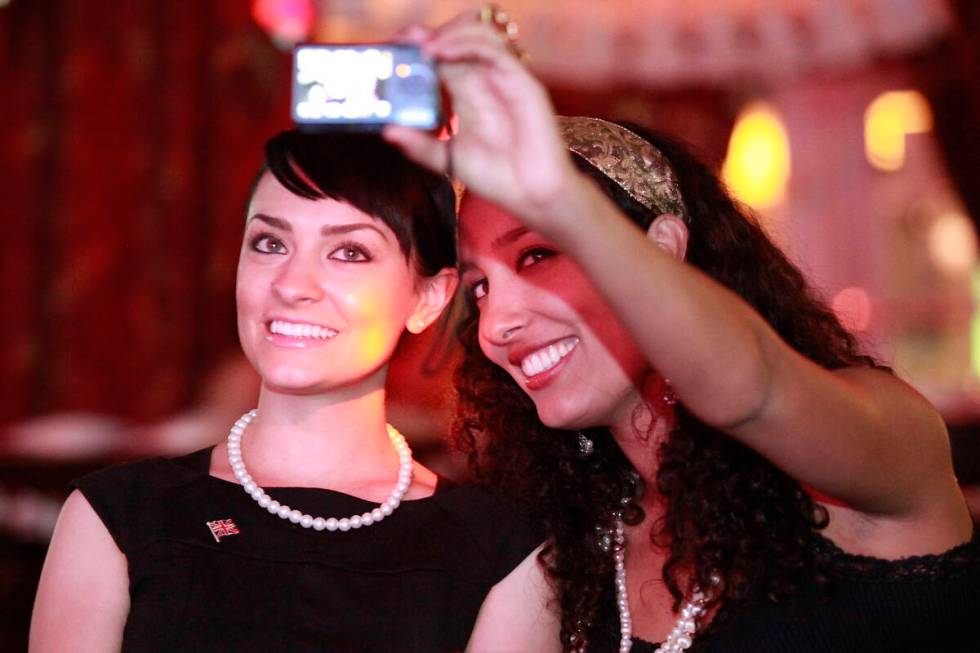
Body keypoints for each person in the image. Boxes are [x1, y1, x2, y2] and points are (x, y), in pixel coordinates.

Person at [384, 10, 980, 652]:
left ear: (663, 246)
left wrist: (561, 199)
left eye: (536, 254)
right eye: (480, 288)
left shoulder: (883, 443)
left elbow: (752, 390)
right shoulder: (573, 541)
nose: (497, 324)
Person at [30, 129, 559, 652]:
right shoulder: (119, 515)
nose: (291, 284)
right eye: (270, 243)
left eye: (349, 252)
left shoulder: (500, 550)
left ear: (429, 297)